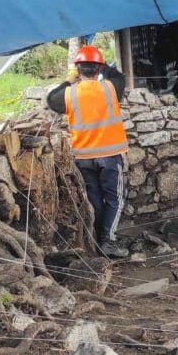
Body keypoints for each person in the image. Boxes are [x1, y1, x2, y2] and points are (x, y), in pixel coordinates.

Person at [46, 45, 130, 259]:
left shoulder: (69, 93)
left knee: (93, 200)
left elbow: (50, 99)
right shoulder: (112, 88)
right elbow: (118, 75)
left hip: (84, 157)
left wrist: (70, 80)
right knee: (115, 199)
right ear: (99, 67)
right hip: (110, 156)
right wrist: (104, 68)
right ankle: (107, 241)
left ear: (78, 69)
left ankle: (96, 239)